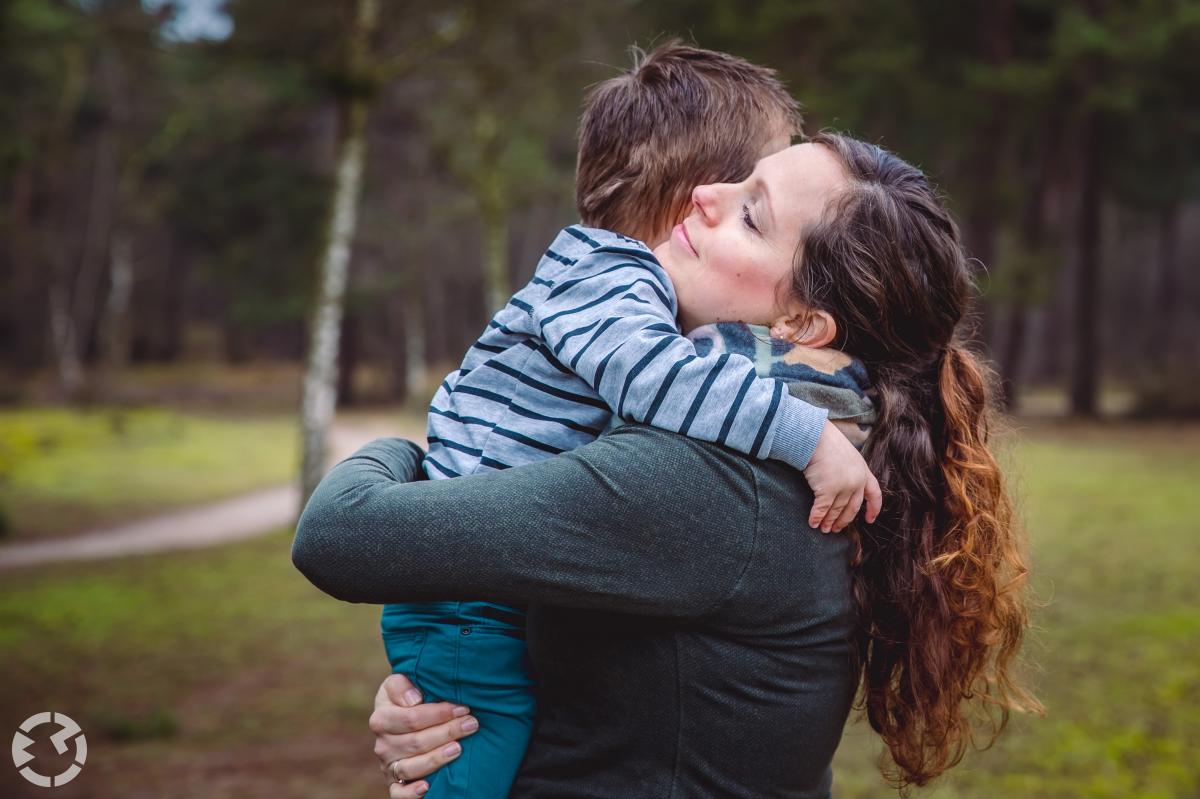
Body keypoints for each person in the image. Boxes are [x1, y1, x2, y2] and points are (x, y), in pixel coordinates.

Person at [292, 135, 1040, 798]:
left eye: (752, 213)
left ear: (803, 324)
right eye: (740, 179)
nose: (703, 194)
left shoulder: (705, 484)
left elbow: (338, 535)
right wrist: (444, 712)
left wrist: (415, 453)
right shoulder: (805, 446)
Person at [377, 43, 880, 799]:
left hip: (482, 581)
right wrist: (807, 436)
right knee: (478, 745)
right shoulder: (616, 289)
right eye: (746, 191)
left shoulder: (612, 287)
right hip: (468, 596)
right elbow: (663, 382)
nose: (731, 201)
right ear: (693, 200)